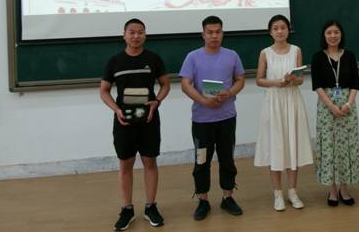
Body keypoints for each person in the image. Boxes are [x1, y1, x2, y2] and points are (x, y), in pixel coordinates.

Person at [100, 18, 171, 231]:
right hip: (124, 121)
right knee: (125, 165)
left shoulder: (153, 59)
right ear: (124, 35)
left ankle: (151, 207)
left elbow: (165, 85)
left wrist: (157, 102)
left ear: (145, 35)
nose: (136, 36)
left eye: (140, 32)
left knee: (150, 162)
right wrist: (116, 109)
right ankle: (127, 209)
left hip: (149, 119)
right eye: (132, 32)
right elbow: (104, 90)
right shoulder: (114, 61)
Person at [180, 15, 245, 221]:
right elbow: (185, 84)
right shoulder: (192, 57)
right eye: (210, 32)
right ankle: (203, 200)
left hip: (227, 118)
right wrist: (203, 101)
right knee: (201, 161)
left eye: (217, 32)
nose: (214, 36)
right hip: (202, 120)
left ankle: (228, 197)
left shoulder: (232, 55)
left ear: (222, 33)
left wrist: (230, 92)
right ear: (203, 34)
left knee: (227, 159)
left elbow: (240, 79)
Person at [254, 14, 313, 211]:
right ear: (270, 32)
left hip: (292, 100)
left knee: (292, 144)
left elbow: (301, 79)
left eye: (283, 27)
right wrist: (277, 82)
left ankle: (293, 191)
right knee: (276, 146)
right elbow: (259, 79)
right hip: (274, 102)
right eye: (276, 28)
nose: (279, 31)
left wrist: (293, 79)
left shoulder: (296, 50)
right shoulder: (265, 53)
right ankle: (277, 193)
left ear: (288, 30)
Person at [311, 20, 359, 207]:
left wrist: (348, 104)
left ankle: (344, 189)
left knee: (346, 147)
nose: (333, 36)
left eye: (336, 32)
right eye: (329, 32)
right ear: (324, 36)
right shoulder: (318, 57)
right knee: (329, 147)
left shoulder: (349, 56)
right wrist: (332, 106)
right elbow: (317, 85)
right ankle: (332, 190)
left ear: (341, 34)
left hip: (348, 107)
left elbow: (355, 84)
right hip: (326, 108)